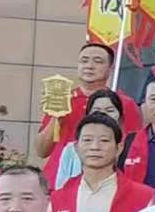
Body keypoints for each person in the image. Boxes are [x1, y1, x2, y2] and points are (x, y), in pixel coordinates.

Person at [50, 112, 155, 212]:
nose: (95, 147)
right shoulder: (57, 199)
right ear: (76, 147)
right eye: (87, 140)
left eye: (104, 140)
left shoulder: (143, 198)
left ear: (119, 148)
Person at [36, 43, 141, 184]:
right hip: (59, 180)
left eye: (97, 61)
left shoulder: (124, 103)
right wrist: (56, 119)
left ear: (110, 69)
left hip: (105, 180)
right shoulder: (62, 99)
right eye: (84, 61)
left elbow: (133, 149)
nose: (89, 66)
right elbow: (41, 151)